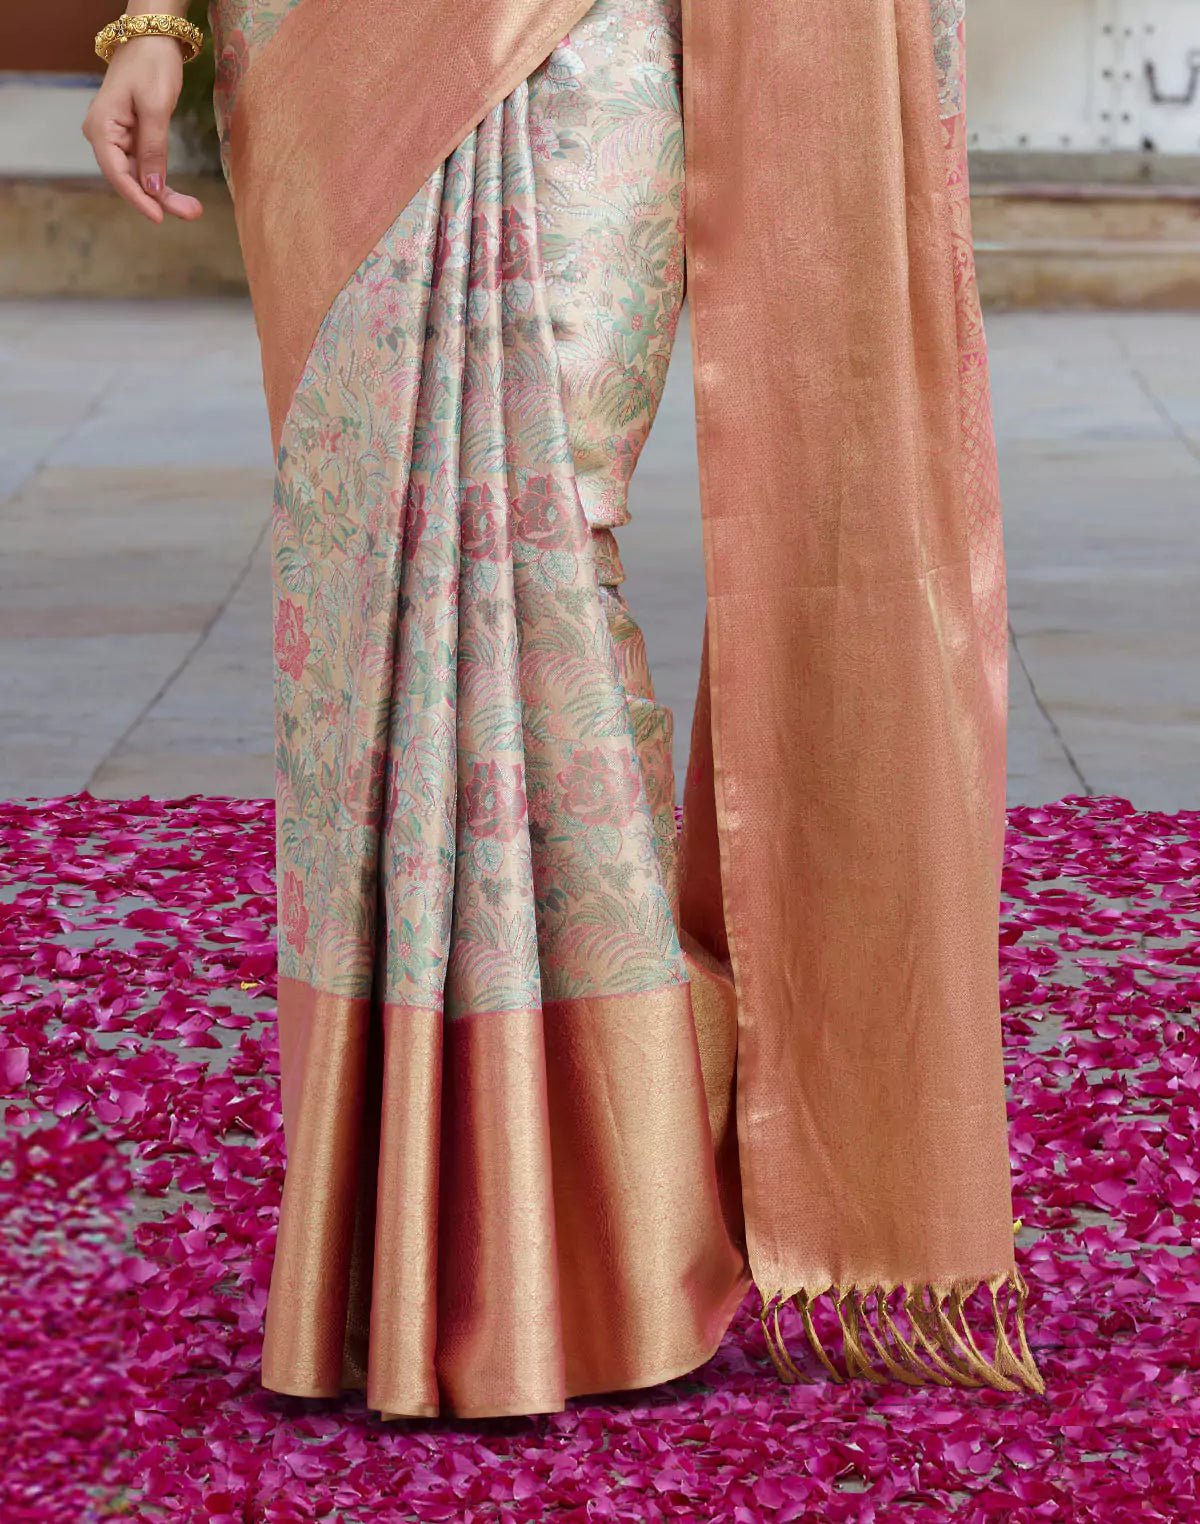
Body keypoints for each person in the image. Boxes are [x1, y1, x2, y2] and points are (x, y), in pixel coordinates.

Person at [84, 0, 1044, 1418]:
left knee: (543, 540)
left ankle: (615, 1228)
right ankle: (431, 1237)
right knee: (371, 581)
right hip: (337, 61)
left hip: (601, 41)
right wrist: (151, 23)